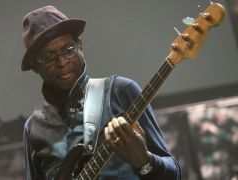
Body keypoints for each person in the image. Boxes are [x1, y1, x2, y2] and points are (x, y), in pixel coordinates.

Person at [22, 5, 181, 180]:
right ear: (35, 66)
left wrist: (144, 161)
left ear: (80, 46)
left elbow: (174, 175)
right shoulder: (33, 128)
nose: (61, 62)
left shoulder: (120, 92)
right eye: (49, 57)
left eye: (68, 50)